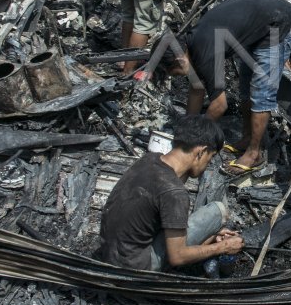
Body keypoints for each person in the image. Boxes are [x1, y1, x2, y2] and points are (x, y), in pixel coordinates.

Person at [176, 0, 291, 174]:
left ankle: (254, 153)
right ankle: (247, 138)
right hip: (269, 27)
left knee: (262, 92)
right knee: (247, 85)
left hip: (276, 29)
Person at [94, 115, 244, 271]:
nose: (208, 164)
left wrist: (211, 236)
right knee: (217, 211)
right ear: (201, 152)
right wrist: (223, 247)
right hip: (134, 267)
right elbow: (177, 257)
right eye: (210, 158)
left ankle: (209, 239)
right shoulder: (174, 192)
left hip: (109, 253)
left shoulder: (149, 159)